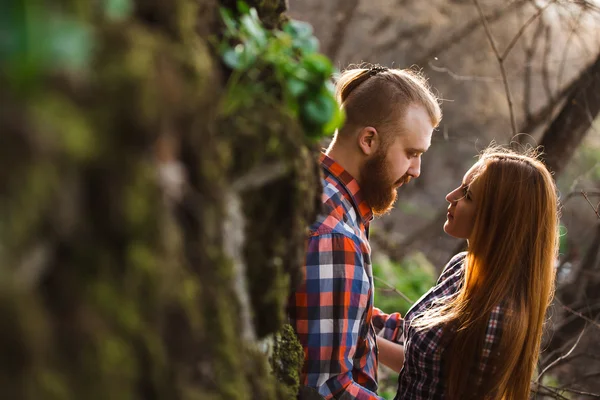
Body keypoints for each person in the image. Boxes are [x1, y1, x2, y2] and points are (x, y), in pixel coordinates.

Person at [288, 65, 442, 399]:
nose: (416, 170)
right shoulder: (335, 236)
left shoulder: (320, 191)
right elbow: (326, 389)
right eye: (411, 154)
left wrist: (433, 345)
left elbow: (345, 316)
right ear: (369, 140)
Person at [394, 147, 559, 400]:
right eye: (461, 186)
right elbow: (424, 366)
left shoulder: (499, 317)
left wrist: (361, 341)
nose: (451, 196)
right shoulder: (463, 267)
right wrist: (362, 322)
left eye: (467, 195)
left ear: (498, 218)